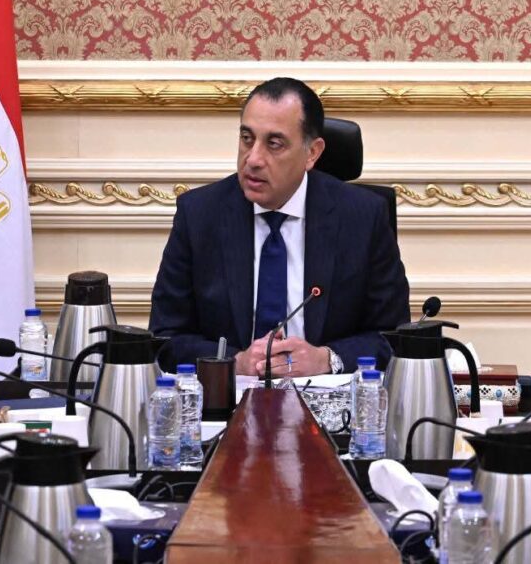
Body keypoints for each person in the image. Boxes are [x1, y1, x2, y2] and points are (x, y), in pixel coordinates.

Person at [149, 77, 410, 376]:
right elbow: (165, 338)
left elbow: (394, 336)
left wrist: (327, 359)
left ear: (312, 153)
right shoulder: (199, 214)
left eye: (274, 144)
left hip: (327, 396)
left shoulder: (363, 217)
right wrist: (234, 363)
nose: (253, 159)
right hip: (229, 395)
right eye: (247, 139)